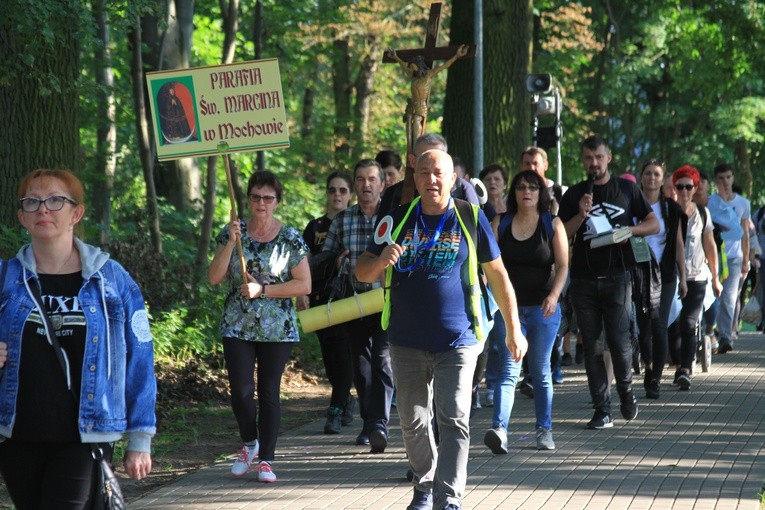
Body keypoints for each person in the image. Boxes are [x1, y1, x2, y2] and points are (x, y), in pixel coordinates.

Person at [355, 149, 527, 510]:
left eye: (439, 174)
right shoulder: (397, 219)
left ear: (453, 180)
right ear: (414, 178)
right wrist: (380, 261)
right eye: (424, 173)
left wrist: (514, 329)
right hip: (406, 340)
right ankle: (424, 483)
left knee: (453, 418)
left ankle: (447, 499)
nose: (431, 180)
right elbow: (362, 271)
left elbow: (497, 275)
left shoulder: (470, 216)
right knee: (413, 423)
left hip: (458, 339)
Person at [0, 168, 156, 508]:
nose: (43, 209)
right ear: (21, 217)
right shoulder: (5, 279)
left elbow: (140, 356)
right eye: (32, 202)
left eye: (56, 200)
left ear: (76, 213)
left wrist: (140, 437)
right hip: (17, 434)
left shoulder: (112, 280)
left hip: (86, 433)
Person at [209, 170, 311, 483]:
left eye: (268, 197)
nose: (261, 203)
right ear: (249, 200)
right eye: (256, 197)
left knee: (268, 393)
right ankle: (249, 443)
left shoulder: (290, 237)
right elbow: (214, 278)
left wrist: (263, 291)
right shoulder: (232, 232)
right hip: (237, 324)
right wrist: (231, 242)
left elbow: (304, 284)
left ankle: (266, 459)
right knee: (240, 391)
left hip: (277, 327)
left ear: (277, 201)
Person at [558, 135, 659, 430]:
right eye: (589, 158)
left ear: (609, 158)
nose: (594, 163)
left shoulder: (627, 189)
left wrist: (631, 229)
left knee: (619, 340)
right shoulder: (575, 194)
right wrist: (581, 213)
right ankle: (602, 409)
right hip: (584, 278)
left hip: (618, 276)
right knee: (590, 345)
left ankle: (626, 391)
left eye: (599, 157)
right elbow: (561, 234)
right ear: (583, 160)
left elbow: (654, 224)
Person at [484, 170, 568, 453]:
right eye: (521, 187)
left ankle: (544, 430)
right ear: (514, 193)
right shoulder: (501, 223)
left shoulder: (552, 223)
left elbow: (564, 265)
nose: (526, 192)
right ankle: (500, 430)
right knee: (509, 370)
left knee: (541, 371)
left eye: (533, 187)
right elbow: (488, 266)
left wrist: (555, 296)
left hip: (544, 308)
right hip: (509, 310)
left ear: (541, 193)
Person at [321, 159, 394, 453]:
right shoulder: (342, 219)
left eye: (372, 179)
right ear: (355, 186)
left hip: (386, 300)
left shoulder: (392, 218)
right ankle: (368, 422)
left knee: (383, 361)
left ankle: (380, 424)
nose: (366, 185)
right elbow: (324, 257)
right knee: (361, 367)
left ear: (382, 184)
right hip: (353, 302)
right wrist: (336, 260)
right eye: (361, 180)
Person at [299, 171, 356, 434]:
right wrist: (302, 293)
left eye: (343, 190)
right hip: (321, 296)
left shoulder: (353, 223)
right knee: (330, 355)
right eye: (332, 190)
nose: (337, 195)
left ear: (350, 194)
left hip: (348, 297)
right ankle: (345, 398)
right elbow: (303, 262)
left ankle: (335, 408)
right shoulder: (315, 227)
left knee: (344, 351)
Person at [637, 160, 687, 398]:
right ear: (641, 177)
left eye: (656, 174)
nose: (652, 178)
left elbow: (678, 245)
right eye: (648, 173)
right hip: (638, 274)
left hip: (665, 275)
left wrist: (684, 278)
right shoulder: (632, 205)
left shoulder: (671, 209)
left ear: (663, 178)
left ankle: (656, 377)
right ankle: (647, 366)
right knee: (643, 328)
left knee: (659, 325)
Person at [671, 166, 722, 390]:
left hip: (697, 275)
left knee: (690, 322)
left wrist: (716, 277)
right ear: (674, 188)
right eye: (680, 186)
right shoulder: (668, 211)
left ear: (695, 188)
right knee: (671, 324)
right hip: (671, 277)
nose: (684, 190)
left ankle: (684, 369)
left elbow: (710, 246)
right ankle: (677, 360)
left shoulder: (702, 213)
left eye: (688, 186)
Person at [387, 46, 469, 151]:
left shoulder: (428, 75)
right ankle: (409, 151)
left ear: (418, 65)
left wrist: (456, 56)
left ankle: (416, 150)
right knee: (408, 126)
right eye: (411, 67)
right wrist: (396, 57)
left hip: (421, 105)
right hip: (412, 105)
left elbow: (444, 66)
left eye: (413, 66)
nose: (412, 69)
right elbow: (403, 66)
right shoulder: (413, 76)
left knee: (416, 123)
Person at [379, 133, 481, 215]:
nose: (432, 161)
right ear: (412, 161)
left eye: (438, 156)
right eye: (425, 157)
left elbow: (476, 232)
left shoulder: (463, 190)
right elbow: (381, 237)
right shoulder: (394, 193)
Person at [709, 163, 750, 353]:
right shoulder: (710, 202)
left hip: (734, 257)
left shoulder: (743, 203)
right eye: (721, 178)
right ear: (715, 181)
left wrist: (746, 259)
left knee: (729, 297)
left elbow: (745, 233)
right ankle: (709, 332)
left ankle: (725, 336)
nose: (725, 182)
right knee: (712, 295)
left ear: (733, 178)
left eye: (728, 177)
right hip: (714, 255)